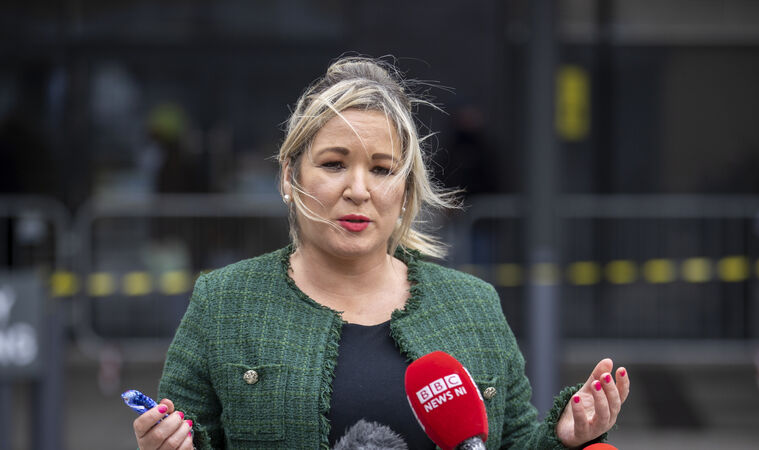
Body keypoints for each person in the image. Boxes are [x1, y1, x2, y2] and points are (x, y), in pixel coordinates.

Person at [132, 56, 630, 449]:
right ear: (289, 175)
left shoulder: (474, 306)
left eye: (382, 169)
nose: (358, 189)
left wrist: (563, 439)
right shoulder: (224, 303)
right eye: (334, 163)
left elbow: (515, 441)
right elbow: (188, 433)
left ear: (407, 190)